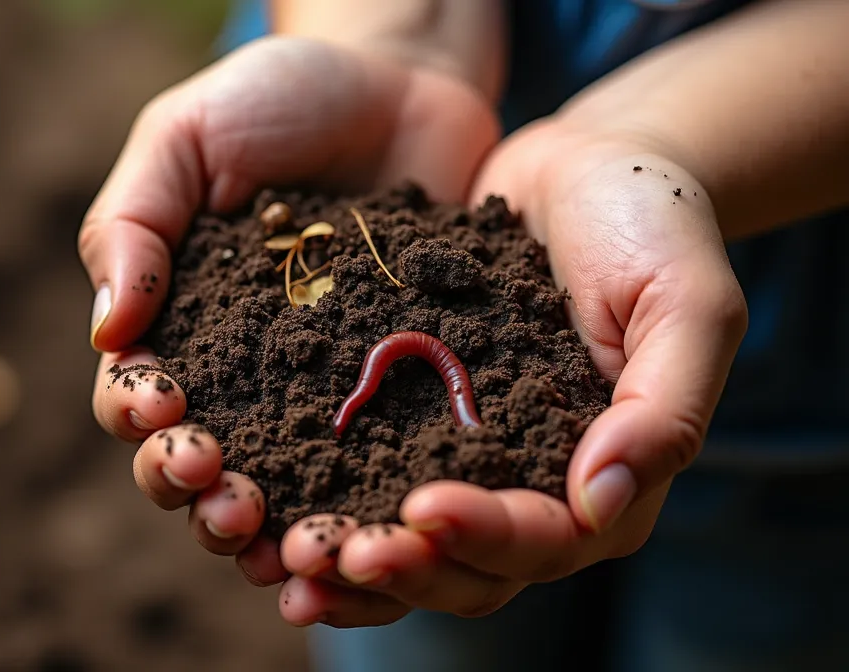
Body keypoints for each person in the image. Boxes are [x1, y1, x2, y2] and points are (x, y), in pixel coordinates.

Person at [77, 1, 849, 669]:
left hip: (813, 360)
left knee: (744, 630)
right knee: (424, 614)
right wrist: (389, 44)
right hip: (476, 137)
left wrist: (660, 150)